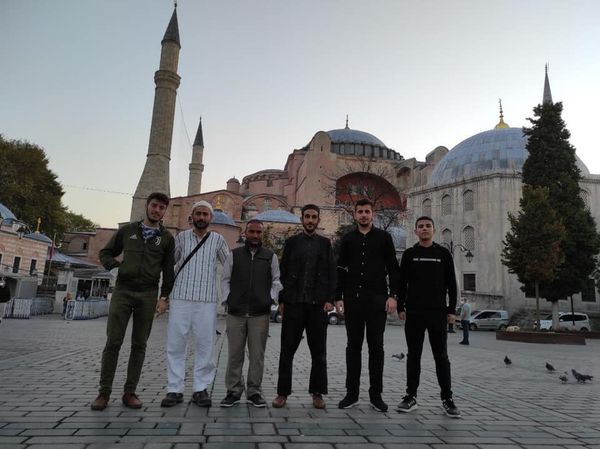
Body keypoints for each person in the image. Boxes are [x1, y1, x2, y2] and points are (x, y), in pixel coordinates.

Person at [91, 192, 175, 411]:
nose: (157, 210)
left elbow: (168, 270)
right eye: (154, 206)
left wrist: (164, 297)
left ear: (165, 211)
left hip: (147, 294)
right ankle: (104, 392)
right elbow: (105, 252)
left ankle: (130, 392)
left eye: (161, 208)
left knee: (139, 344)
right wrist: (114, 268)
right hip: (123, 291)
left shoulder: (166, 238)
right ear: (147, 206)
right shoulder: (128, 231)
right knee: (113, 342)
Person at [159, 201, 229, 408]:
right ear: (192, 217)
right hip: (180, 297)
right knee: (176, 344)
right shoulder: (181, 238)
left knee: (205, 345)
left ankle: (201, 388)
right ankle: (174, 389)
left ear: (211, 218)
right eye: (198, 213)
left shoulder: (217, 240)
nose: (201, 217)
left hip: (206, 300)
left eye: (205, 214)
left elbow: (229, 265)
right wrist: (164, 295)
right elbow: (170, 266)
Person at [335, 198, 399, 412]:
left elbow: (392, 267)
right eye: (360, 211)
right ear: (355, 215)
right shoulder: (347, 239)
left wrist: (393, 296)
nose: (363, 215)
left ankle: (376, 395)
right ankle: (351, 394)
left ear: (373, 214)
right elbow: (340, 268)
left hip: (376, 300)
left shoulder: (384, 237)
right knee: (353, 347)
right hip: (353, 300)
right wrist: (338, 296)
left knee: (376, 348)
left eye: (367, 211)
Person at [272, 204, 336, 409]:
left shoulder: (325, 244)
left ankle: (317, 393)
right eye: (307, 216)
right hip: (294, 303)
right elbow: (283, 271)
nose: (310, 220)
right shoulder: (292, 243)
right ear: (301, 219)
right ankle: (282, 393)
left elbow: (331, 272)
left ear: (318, 220)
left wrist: (330, 299)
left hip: (317, 305)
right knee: (286, 351)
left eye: (313, 217)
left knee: (319, 352)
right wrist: (282, 300)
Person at [396, 216, 461, 418]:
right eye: (421, 227)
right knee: (413, 356)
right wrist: (400, 306)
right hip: (414, 312)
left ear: (434, 230)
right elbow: (401, 284)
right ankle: (410, 396)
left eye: (428, 226)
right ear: (415, 231)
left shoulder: (443, 254)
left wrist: (451, 310)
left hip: (437, 313)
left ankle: (447, 398)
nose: (424, 229)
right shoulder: (409, 254)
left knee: (441, 356)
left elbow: (452, 283)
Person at [219, 219, 282, 408]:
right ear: (245, 233)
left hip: (259, 314)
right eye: (252, 232)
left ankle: (254, 391)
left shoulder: (270, 256)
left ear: (262, 234)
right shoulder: (235, 254)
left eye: (258, 232)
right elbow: (225, 279)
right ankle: (233, 391)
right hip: (236, 313)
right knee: (234, 355)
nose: (255, 235)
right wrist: (228, 299)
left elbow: (277, 281)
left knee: (257, 355)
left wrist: (269, 299)